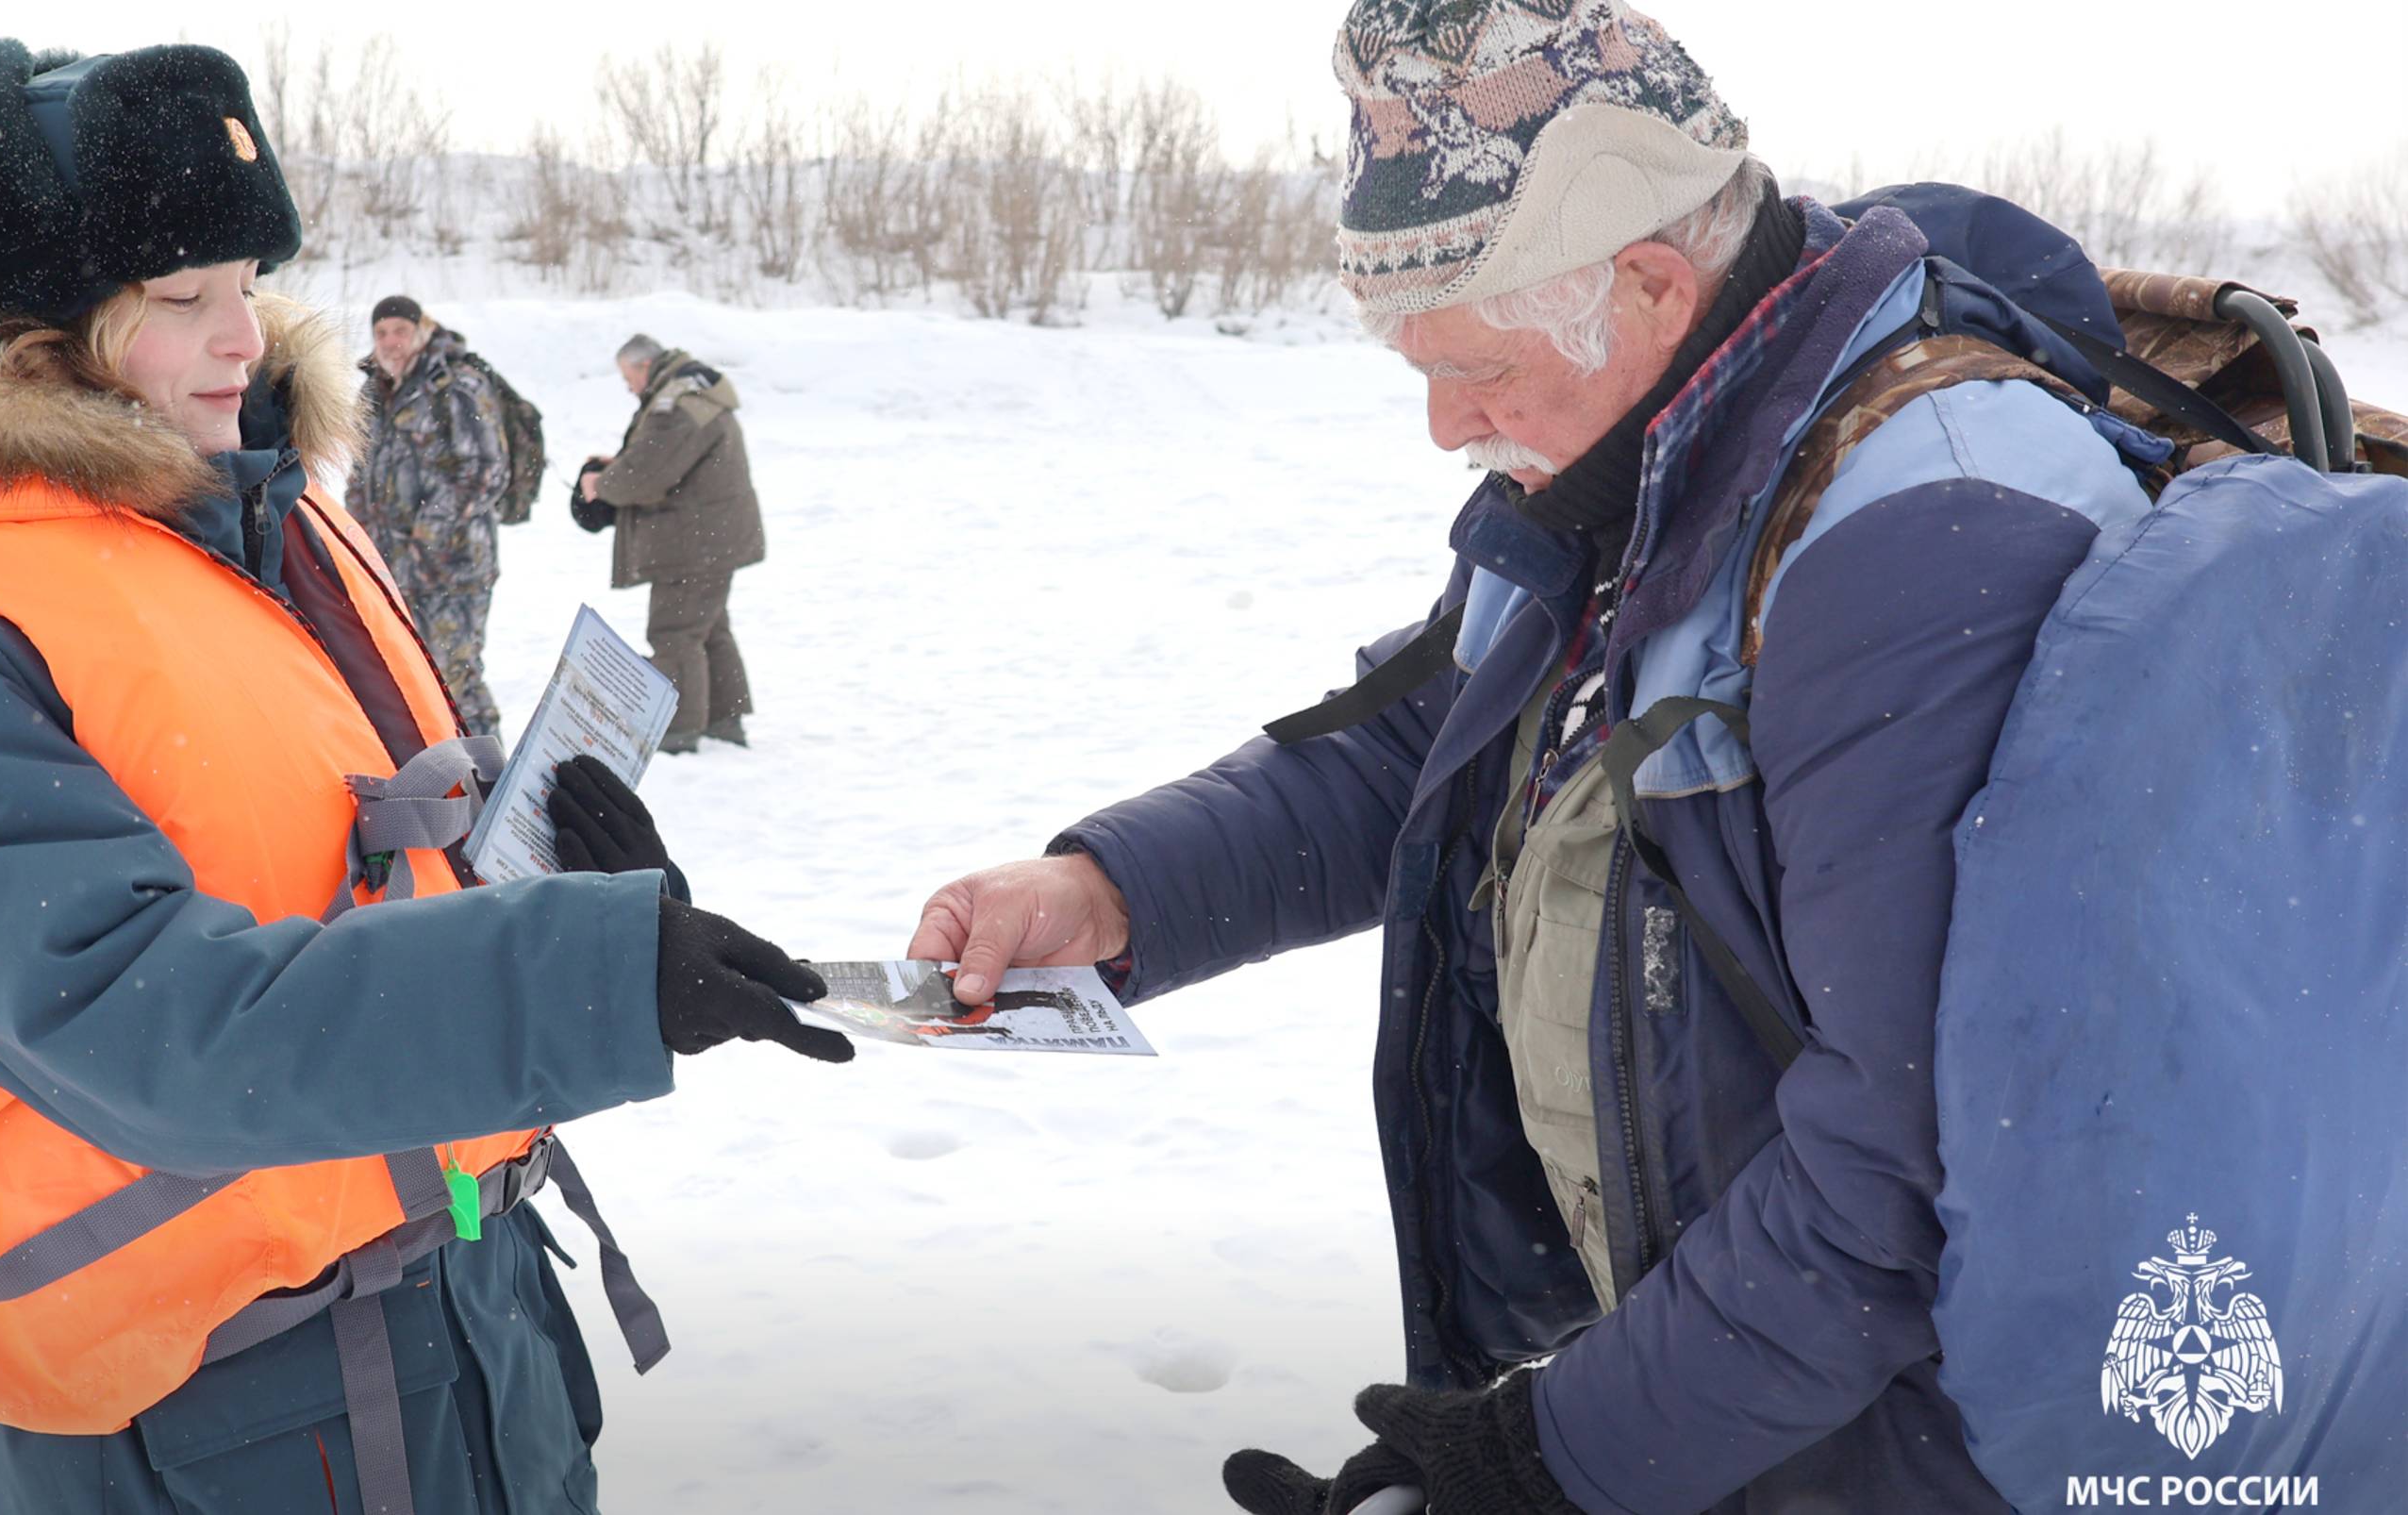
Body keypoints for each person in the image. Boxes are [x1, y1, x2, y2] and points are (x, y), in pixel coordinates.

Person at [907, 4, 2194, 1511]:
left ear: (1649, 282)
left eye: (1474, 367)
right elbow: (1430, 748)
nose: (1443, 425)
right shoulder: (1641, 452)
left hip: (1917, 1451)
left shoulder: (1922, 536)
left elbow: (1902, 1173)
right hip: (1728, 1395)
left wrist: (1541, 1463)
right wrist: (1112, 892)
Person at [0, 40, 846, 1515]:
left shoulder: (260, 511)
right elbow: (142, 1019)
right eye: (181, 298)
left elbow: (330, 849)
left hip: (465, 1293)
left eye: (250, 281)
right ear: (26, 341)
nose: (243, 336)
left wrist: (543, 872)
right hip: (219, 1394)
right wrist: (581, 975)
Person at [573, 334, 765, 754]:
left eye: (628, 378)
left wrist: (600, 484)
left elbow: (645, 475)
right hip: (710, 536)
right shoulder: (692, 391)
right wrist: (620, 467)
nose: (629, 388)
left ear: (644, 366)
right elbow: (667, 460)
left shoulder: (675, 405)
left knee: (675, 632)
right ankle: (724, 722)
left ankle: (679, 734)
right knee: (707, 628)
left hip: (694, 543)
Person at [343, 293, 508, 735]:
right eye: (381, 333)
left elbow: (486, 471)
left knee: (457, 680)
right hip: (393, 568)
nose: (390, 342)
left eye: (400, 330)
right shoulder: (373, 391)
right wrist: (357, 540)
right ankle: (439, 771)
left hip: (453, 567)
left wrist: (428, 536)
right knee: (410, 681)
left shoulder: (457, 385)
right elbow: (360, 472)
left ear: (422, 331)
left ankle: (490, 772)